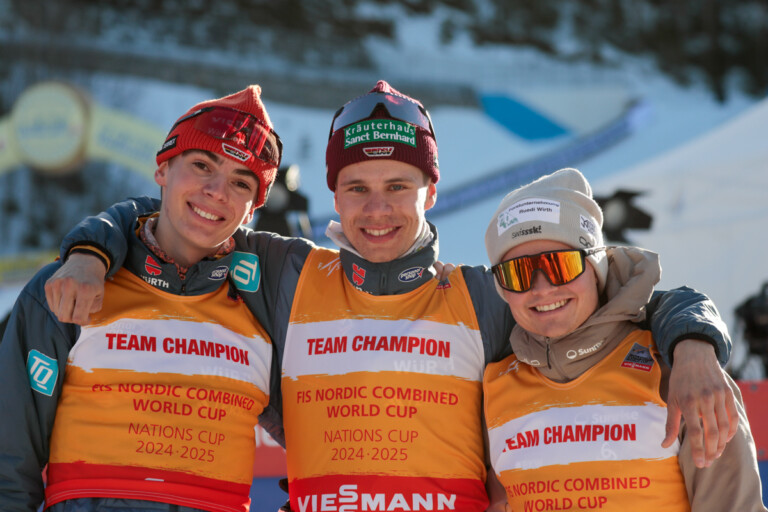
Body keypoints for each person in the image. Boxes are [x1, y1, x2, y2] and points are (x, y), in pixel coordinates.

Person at [44, 81, 738, 511]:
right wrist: (91, 246)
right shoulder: (285, 273)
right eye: (357, 188)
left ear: (430, 192)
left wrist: (695, 341)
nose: (377, 211)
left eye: (398, 187)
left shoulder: (488, 293)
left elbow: (616, 293)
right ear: (333, 196)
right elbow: (177, 219)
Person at [0, 85, 283, 511]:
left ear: (253, 208)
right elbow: (9, 460)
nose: (217, 191)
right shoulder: (72, 285)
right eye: (202, 164)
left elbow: (332, 438)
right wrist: (90, 251)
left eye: (241, 182)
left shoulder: (267, 303)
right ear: (163, 170)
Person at [483, 168, 766, 511]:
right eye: (518, 273)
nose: (542, 288)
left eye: (560, 265)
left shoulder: (681, 374)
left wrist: (694, 343)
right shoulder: (492, 386)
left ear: (596, 268)